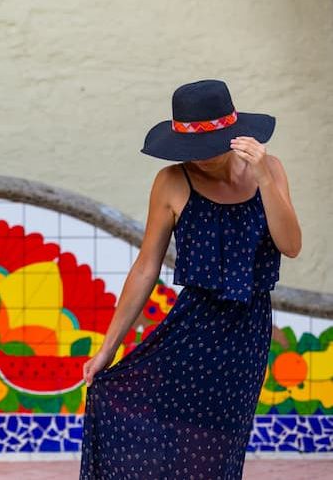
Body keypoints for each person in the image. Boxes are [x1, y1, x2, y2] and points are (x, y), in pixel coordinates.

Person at [78, 79, 302, 479]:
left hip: (246, 335)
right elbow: (146, 266)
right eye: (189, 149)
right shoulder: (171, 182)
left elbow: (290, 244)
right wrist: (107, 348)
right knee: (170, 445)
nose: (196, 158)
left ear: (235, 137)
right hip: (190, 330)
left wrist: (265, 178)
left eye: (205, 148)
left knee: (221, 450)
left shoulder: (270, 170)